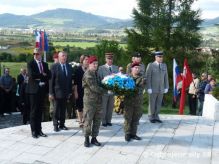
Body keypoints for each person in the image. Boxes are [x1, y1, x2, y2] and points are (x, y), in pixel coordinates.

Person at [26, 48, 51, 138]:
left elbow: (49, 75)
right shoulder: (31, 64)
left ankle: (39, 130)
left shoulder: (45, 64)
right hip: (33, 91)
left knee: (40, 111)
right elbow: (32, 75)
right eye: (35, 54)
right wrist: (42, 74)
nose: (36, 55)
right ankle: (33, 131)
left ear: (41, 54)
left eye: (38, 54)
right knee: (33, 111)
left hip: (41, 90)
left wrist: (41, 76)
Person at [83, 55, 104, 147]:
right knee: (88, 120)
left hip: (98, 101)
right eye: (93, 64)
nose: (95, 65)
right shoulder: (88, 74)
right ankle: (86, 138)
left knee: (97, 120)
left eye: (97, 64)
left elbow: (101, 83)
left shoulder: (96, 73)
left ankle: (94, 138)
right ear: (89, 64)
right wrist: (106, 90)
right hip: (90, 102)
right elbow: (94, 88)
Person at [49, 51, 73, 132]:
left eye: (65, 56)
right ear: (59, 57)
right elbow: (51, 81)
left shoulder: (69, 67)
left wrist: (70, 92)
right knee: (56, 110)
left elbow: (70, 80)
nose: (64, 57)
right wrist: (51, 93)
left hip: (66, 92)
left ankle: (62, 124)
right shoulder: (54, 66)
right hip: (57, 92)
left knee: (63, 109)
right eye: (63, 56)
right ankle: (55, 125)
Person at [123, 62, 146, 141]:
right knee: (128, 118)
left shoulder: (142, 78)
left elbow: (139, 89)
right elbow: (123, 88)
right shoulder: (126, 77)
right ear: (131, 69)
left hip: (137, 102)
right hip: (128, 102)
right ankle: (127, 133)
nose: (137, 69)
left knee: (136, 119)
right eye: (135, 68)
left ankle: (133, 134)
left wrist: (129, 87)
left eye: (138, 68)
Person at [146, 51, 169, 123]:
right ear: (155, 57)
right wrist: (148, 87)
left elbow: (166, 77)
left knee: (159, 103)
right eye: (159, 57)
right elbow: (148, 77)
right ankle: (151, 116)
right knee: (152, 102)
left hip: (161, 88)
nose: (161, 58)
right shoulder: (151, 65)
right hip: (153, 88)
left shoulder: (164, 65)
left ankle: (156, 116)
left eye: (162, 57)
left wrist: (166, 86)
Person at [98, 52, 118, 127]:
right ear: (105, 59)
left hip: (112, 91)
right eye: (108, 59)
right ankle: (103, 121)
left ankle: (109, 120)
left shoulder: (115, 68)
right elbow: (99, 79)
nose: (110, 60)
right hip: (104, 91)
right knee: (104, 107)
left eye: (111, 59)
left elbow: (118, 79)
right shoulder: (101, 68)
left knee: (110, 107)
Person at [74, 55, 89, 127]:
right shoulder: (78, 70)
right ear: (82, 61)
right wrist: (75, 92)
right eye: (85, 59)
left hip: (88, 92)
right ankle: (80, 120)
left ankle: (85, 120)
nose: (87, 61)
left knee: (86, 106)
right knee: (79, 106)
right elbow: (75, 83)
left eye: (88, 60)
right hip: (79, 90)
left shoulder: (90, 70)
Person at [49, 53, 59, 120]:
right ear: (54, 59)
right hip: (53, 91)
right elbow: (50, 81)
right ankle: (53, 120)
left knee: (57, 108)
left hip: (58, 92)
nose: (57, 59)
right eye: (56, 58)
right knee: (53, 108)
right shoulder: (52, 66)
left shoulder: (60, 66)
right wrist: (50, 93)